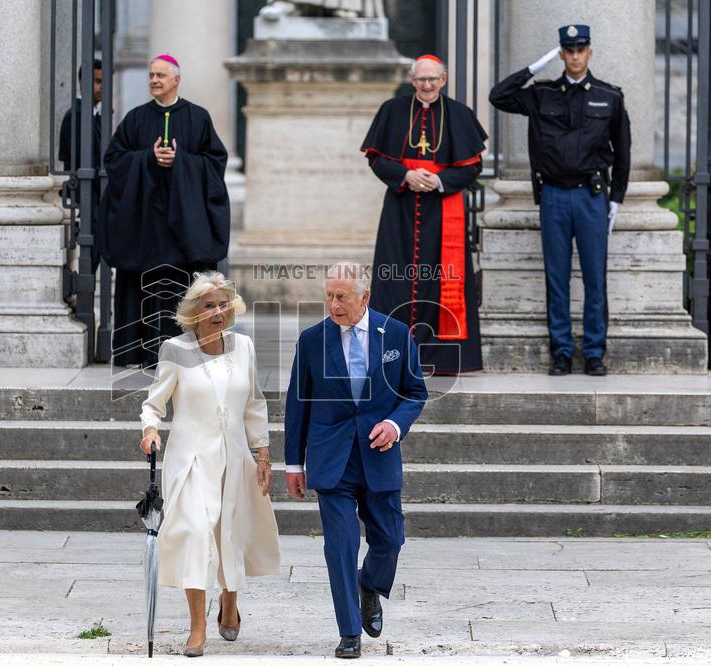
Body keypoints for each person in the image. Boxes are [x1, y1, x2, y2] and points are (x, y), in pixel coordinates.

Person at [284, 261, 428, 658]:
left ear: (364, 297)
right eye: (329, 296)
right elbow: (297, 405)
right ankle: (349, 632)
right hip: (332, 458)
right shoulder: (312, 340)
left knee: (390, 540)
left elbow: (415, 392)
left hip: (379, 454)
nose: (333, 304)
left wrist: (395, 425)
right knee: (340, 545)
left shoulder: (396, 334)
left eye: (342, 297)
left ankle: (369, 585)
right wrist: (294, 464)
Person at [140, 271, 280, 657]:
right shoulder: (175, 350)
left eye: (223, 304)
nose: (219, 311)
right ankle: (197, 627)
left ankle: (230, 601)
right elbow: (154, 403)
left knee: (230, 533)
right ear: (194, 312)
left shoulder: (244, 347)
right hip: (191, 459)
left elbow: (254, 403)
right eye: (209, 305)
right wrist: (150, 430)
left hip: (234, 456)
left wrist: (263, 452)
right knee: (196, 534)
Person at [489, 24, 631, 377]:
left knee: (595, 278)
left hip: (591, 196)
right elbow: (499, 96)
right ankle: (562, 352)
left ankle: (595, 353)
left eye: (580, 49)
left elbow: (624, 151)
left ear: (590, 52)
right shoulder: (541, 94)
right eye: (568, 50)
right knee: (557, 277)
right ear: (561, 54)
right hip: (553, 195)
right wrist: (534, 68)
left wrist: (616, 199)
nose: (575, 56)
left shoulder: (609, 96)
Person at [99, 54, 230, 369]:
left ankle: (186, 351)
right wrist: (147, 158)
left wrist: (181, 161)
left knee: (181, 291)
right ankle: (138, 353)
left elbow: (215, 162)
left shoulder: (198, 118)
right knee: (140, 287)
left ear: (176, 80)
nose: (154, 80)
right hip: (144, 225)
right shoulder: (135, 118)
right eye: (151, 76)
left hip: (183, 229)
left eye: (160, 75)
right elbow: (114, 160)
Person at [361, 54, 488, 375]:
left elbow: (474, 165)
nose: (427, 85)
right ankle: (392, 356)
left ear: (443, 80)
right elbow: (376, 159)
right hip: (401, 209)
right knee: (394, 278)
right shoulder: (392, 110)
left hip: (443, 212)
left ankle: (440, 357)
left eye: (433, 79)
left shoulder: (460, 114)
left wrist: (440, 180)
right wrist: (405, 175)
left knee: (442, 279)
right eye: (421, 80)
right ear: (412, 80)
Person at [58, 58, 103, 270]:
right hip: (84, 199)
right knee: (86, 257)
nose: (101, 87)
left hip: (94, 199)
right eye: (97, 81)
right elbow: (78, 163)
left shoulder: (96, 116)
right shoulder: (75, 117)